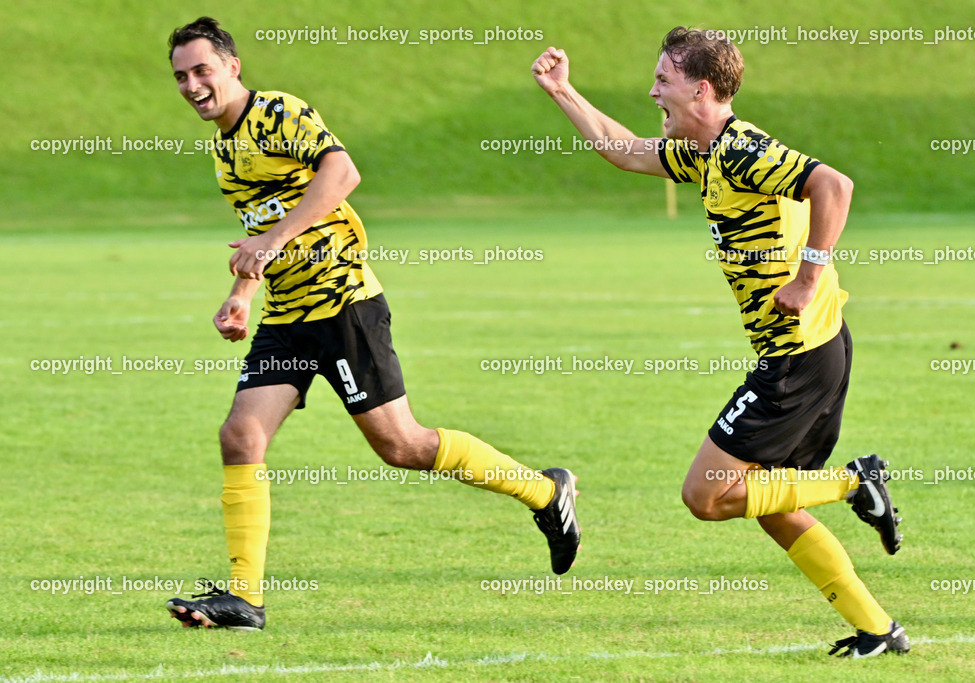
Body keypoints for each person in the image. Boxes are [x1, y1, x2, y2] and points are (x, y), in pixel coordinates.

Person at [163, 16, 580, 631]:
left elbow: (342, 173)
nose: (193, 84)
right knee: (240, 436)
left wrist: (274, 240)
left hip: (345, 306)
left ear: (231, 66)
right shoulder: (226, 151)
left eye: (202, 69)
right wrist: (242, 294)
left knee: (402, 446)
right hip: (288, 317)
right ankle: (244, 599)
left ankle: (546, 492)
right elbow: (262, 230)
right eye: (180, 77)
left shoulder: (277, 112)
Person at [532, 27, 908, 658]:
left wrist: (808, 275)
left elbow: (833, 187)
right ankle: (878, 628)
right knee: (770, 501)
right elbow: (625, 151)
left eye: (663, 80)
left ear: (700, 89)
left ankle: (855, 483)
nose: (651, 90)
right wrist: (562, 90)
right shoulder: (701, 151)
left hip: (798, 356)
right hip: (809, 352)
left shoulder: (742, 150)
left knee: (705, 496)